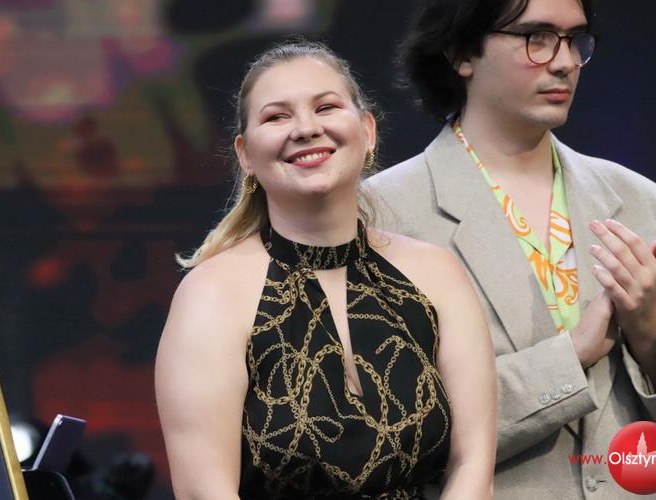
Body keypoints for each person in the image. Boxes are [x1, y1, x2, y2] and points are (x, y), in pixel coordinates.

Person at [365, 0, 656, 498]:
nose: (564, 62)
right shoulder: (381, 217)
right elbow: (387, 436)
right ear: (461, 53)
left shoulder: (649, 206)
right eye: (537, 38)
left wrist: (651, 330)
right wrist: (569, 358)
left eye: (575, 40)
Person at [155, 41, 496, 499]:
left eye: (326, 107)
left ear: (368, 131)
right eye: (277, 117)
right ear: (245, 154)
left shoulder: (436, 274)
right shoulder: (211, 296)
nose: (306, 128)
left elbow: (474, 463)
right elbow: (205, 492)